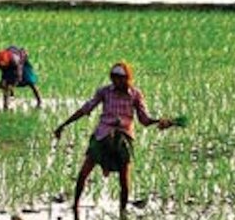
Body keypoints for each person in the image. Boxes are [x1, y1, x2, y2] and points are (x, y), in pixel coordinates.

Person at [53, 62, 174, 212]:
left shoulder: (135, 95)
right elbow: (86, 109)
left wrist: (160, 121)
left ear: (127, 78)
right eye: (114, 78)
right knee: (84, 172)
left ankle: (122, 211)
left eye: (121, 78)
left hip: (123, 137)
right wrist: (63, 125)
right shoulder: (105, 92)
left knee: (124, 179)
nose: (117, 81)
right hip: (103, 135)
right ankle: (75, 206)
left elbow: (144, 120)